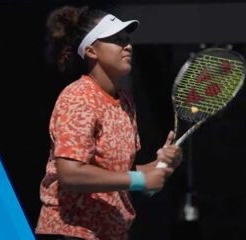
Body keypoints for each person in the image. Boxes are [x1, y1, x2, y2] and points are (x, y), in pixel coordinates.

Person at [35, 5, 183, 240]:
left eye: (126, 38)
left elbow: (121, 175)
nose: (128, 45)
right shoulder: (78, 98)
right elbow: (70, 174)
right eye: (116, 39)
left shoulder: (125, 101)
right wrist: (140, 180)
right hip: (71, 233)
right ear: (92, 51)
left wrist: (160, 166)